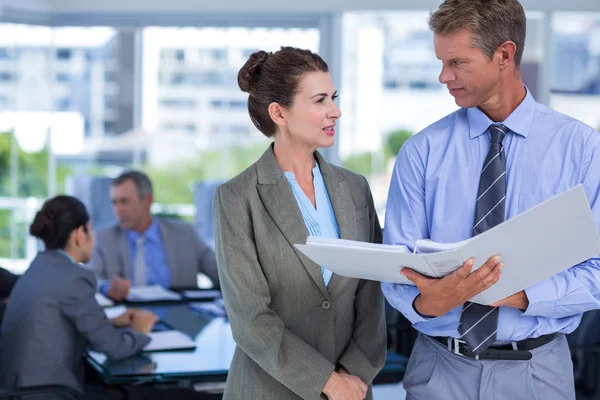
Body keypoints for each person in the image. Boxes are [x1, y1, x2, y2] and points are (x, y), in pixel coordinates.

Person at [382, 0, 600, 399]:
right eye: (441, 61)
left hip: (539, 375)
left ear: (504, 54)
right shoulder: (421, 151)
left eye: (457, 62)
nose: (443, 76)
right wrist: (429, 303)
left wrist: (519, 295)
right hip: (439, 371)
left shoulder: (583, 150)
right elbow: (395, 269)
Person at [213, 46, 387, 400]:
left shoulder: (354, 188)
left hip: (352, 389)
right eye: (320, 100)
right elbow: (251, 320)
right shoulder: (237, 197)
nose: (335, 111)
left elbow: (372, 293)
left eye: (334, 98)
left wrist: (351, 377)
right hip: (267, 390)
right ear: (279, 112)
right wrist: (328, 382)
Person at [0, 195, 158, 399]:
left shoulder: (38, 266)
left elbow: (54, 320)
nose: (92, 237)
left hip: (18, 390)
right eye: (90, 230)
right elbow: (113, 348)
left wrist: (110, 322)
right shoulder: (74, 277)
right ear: (78, 235)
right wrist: (140, 332)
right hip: (49, 393)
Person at [89, 170, 219, 301]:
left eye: (124, 201)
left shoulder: (184, 234)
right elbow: (89, 278)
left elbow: (222, 275)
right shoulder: (103, 237)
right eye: (114, 202)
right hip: (128, 316)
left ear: (147, 200)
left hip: (178, 314)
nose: (118, 210)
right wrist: (106, 288)